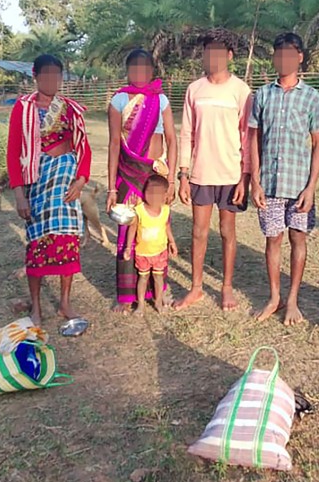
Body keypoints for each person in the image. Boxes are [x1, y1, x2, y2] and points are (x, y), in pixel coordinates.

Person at [6, 54, 92, 325]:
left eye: (57, 75)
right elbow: (13, 152)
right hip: (38, 181)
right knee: (37, 243)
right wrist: (19, 194)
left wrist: (80, 181)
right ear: (35, 76)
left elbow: (83, 146)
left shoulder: (69, 108)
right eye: (46, 75)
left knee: (67, 240)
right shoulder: (23, 108)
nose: (52, 80)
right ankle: (36, 308)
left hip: (66, 180)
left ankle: (65, 303)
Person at [249, 33, 319, 326]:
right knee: (272, 241)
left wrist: (311, 187)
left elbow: (318, 146)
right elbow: (255, 140)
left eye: (290, 53)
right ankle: (274, 297)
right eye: (279, 53)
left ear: (300, 57)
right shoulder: (262, 95)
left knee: (298, 240)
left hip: (299, 186)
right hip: (269, 183)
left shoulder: (312, 97)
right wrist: (255, 181)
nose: (284, 59)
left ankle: (292, 299)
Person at [177, 28, 252, 311]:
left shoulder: (241, 91)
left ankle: (226, 287)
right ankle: (196, 287)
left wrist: (244, 177)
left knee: (227, 231)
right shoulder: (194, 89)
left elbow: (247, 137)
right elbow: (187, 133)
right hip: (201, 173)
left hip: (231, 174)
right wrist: (183, 175)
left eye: (220, 52)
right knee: (198, 232)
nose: (214, 57)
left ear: (230, 56)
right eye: (209, 51)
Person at [106, 48, 177, 313]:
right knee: (128, 234)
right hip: (127, 174)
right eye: (134, 69)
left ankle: (159, 289)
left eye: (144, 69)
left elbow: (171, 139)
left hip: (155, 175)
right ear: (127, 71)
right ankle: (127, 296)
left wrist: (170, 179)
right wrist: (112, 187)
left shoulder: (161, 101)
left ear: (151, 71)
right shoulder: (119, 101)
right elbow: (114, 144)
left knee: (156, 231)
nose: (139, 74)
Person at [123, 175, 179, 315]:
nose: (153, 197)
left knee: (158, 278)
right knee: (143, 278)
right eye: (149, 192)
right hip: (143, 253)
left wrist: (172, 242)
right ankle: (140, 304)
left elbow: (167, 227)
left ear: (164, 195)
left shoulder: (165, 210)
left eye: (157, 193)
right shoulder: (139, 210)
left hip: (160, 252)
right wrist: (128, 247)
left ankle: (158, 302)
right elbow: (132, 229)